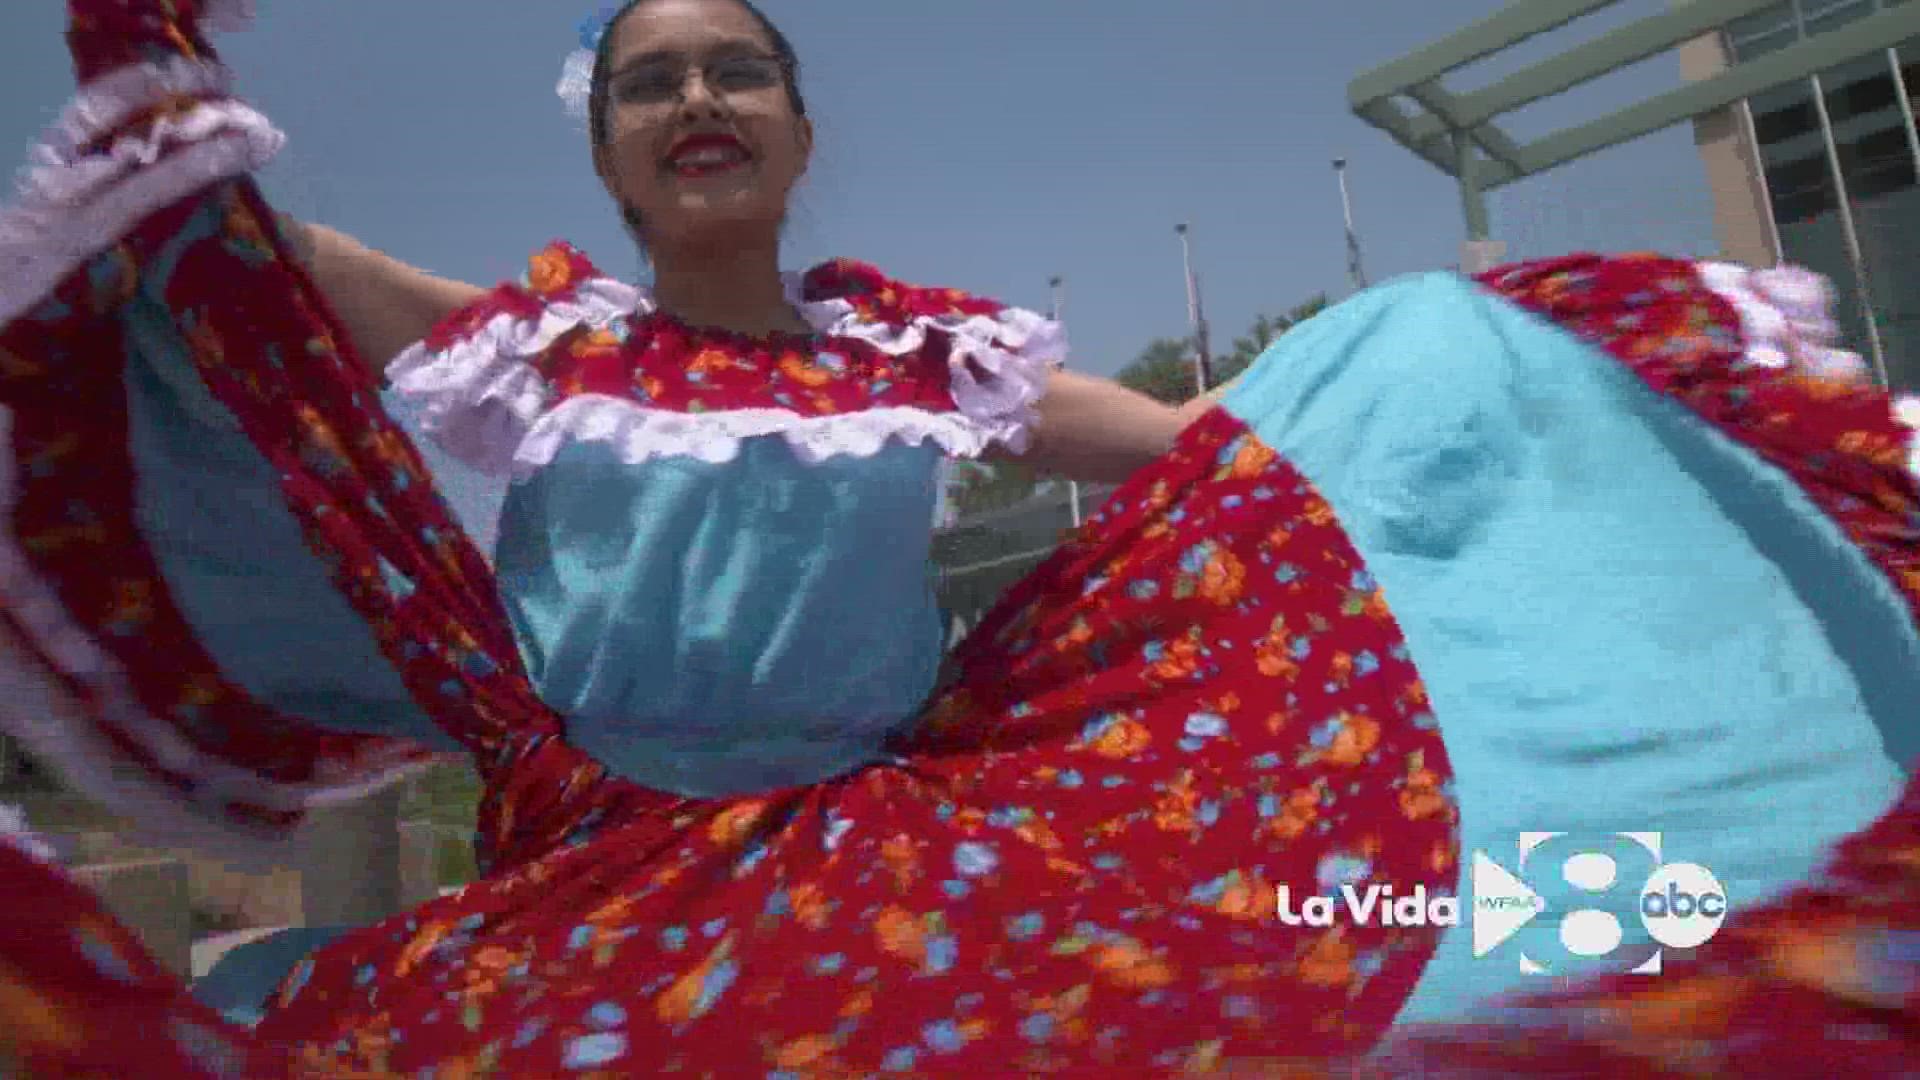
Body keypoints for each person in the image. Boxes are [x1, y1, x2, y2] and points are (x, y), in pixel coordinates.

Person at [0, 0, 1916, 1075]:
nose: (696, 97)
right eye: (654, 76)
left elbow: (1210, 448)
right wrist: (158, 110)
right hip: (605, 858)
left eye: (736, 67)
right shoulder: (545, 334)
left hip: (877, 832)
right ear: (610, 154)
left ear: (795, 129)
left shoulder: (917, 347)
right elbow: (269, 269)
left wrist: (1440, 400)